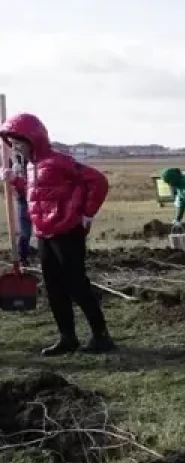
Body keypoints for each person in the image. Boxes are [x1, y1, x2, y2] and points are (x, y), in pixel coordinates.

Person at [1, 113, 114, 355]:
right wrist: (14, 181)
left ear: (34, 138)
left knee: (76, 284)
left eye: (19, 141)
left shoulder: (58, 162)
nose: (15, 146)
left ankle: (101, 335)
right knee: (53, 286)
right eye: (12, 143)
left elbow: (98, 181)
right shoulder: (30, 167)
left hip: (67, 231)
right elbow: (37, 195)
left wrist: (87, 213)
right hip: (44, 233)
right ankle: (67, 337)